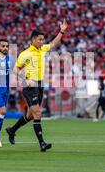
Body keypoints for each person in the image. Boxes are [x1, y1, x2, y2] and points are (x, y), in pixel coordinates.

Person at [5, 20, 68, 152]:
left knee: (30, 115)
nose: (42, 41)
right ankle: (42, 144)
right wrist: (25, 79)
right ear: (33, 39)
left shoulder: (42, 49)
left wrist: (61, 31)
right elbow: (15, 70)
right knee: (38, 113)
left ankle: (12, 130)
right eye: (40, 39)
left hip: (40, 85)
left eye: (43, 39)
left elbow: (53, 44)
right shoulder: (25, 53)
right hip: (29, 86)